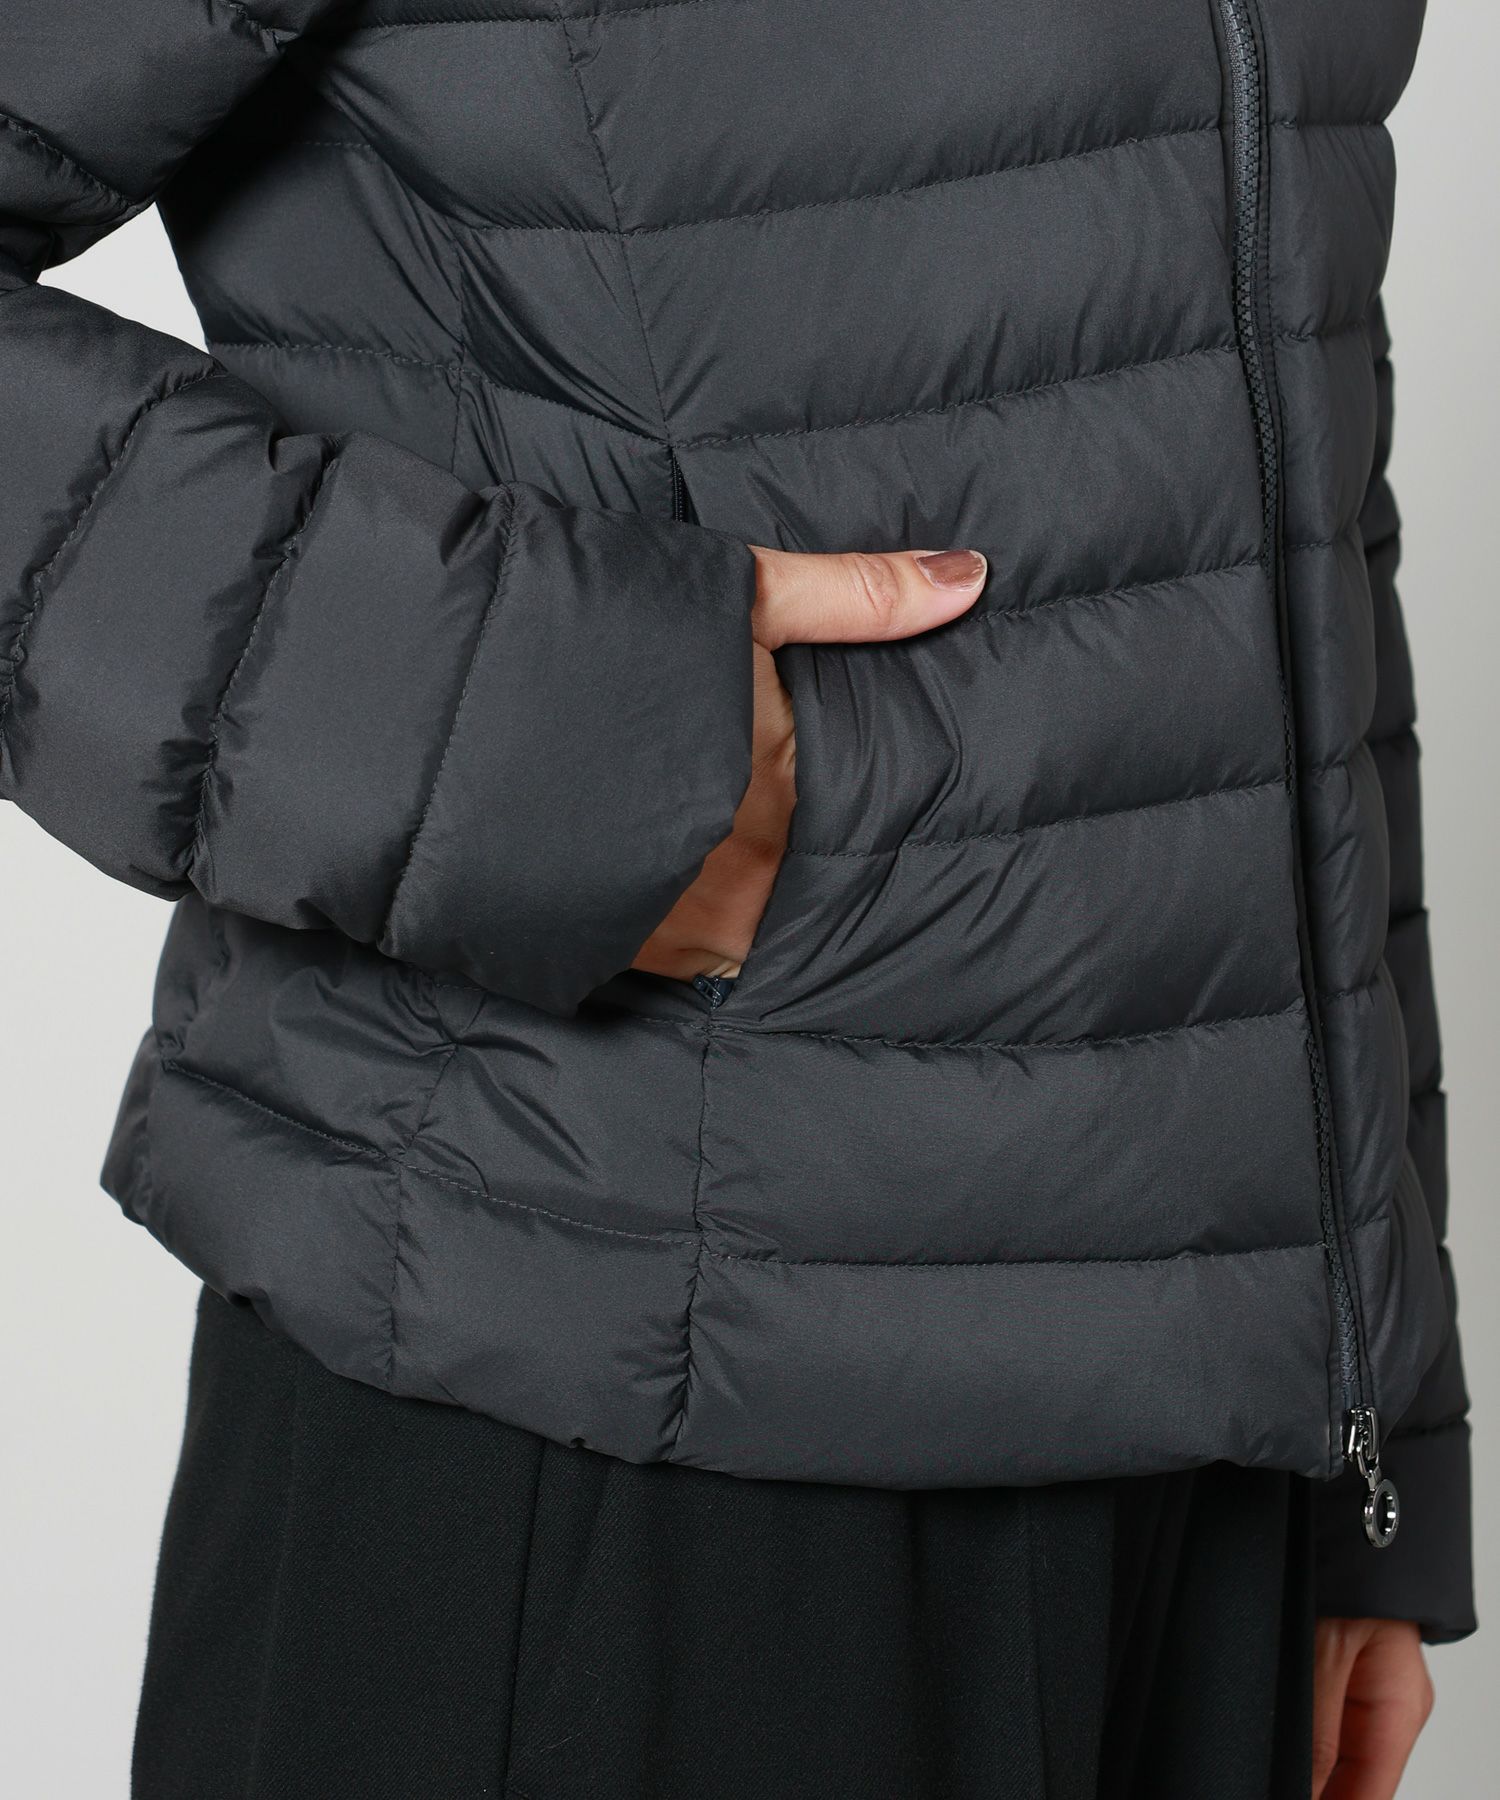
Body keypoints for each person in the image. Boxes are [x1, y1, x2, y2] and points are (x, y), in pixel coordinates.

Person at [0, 2, 1474, 1795]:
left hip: (1214, 1471)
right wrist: (518, 729)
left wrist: (1381, 1424)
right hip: (604, 1388)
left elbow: (1281, 454)